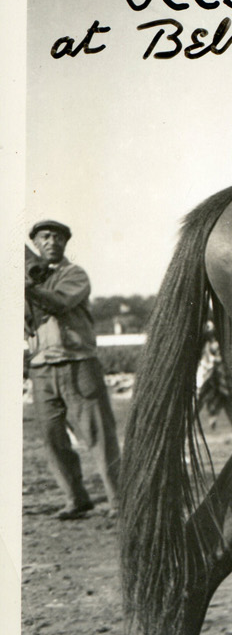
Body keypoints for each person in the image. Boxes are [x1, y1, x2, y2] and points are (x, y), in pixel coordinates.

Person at [24, 219, 122, 519]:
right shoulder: (28, 281)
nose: (51, 241)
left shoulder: (74, 274)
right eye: (44, 237)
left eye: (57, 237)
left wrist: (26, 286)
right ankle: (76, 499)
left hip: (78, 363)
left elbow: (60, 303)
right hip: (41, 368)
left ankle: (120, 500)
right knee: (53, 440)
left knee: (99, 436)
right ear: (36, 244)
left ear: (65, 244)